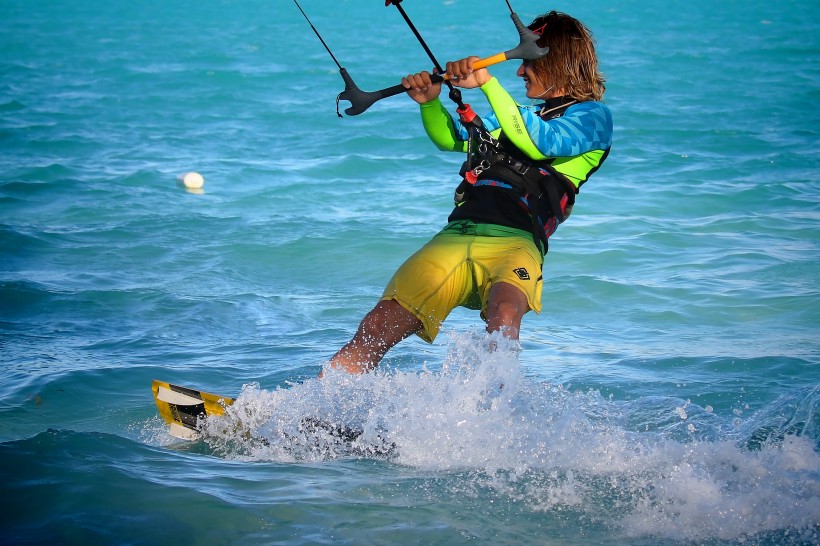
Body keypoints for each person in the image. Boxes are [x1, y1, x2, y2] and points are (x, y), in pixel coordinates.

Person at [327, 11, 613, 375]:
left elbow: (542, 144)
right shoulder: (515, 114)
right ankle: (305, 417)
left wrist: (488, 83)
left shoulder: (594, 118)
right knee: (376, 327)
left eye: (526, 63)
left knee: (504, 313)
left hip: (515, 243)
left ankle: (496, 419)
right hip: (456, 237)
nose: (520, 72)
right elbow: (452, 139)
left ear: (556, 61)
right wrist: (430, 103)